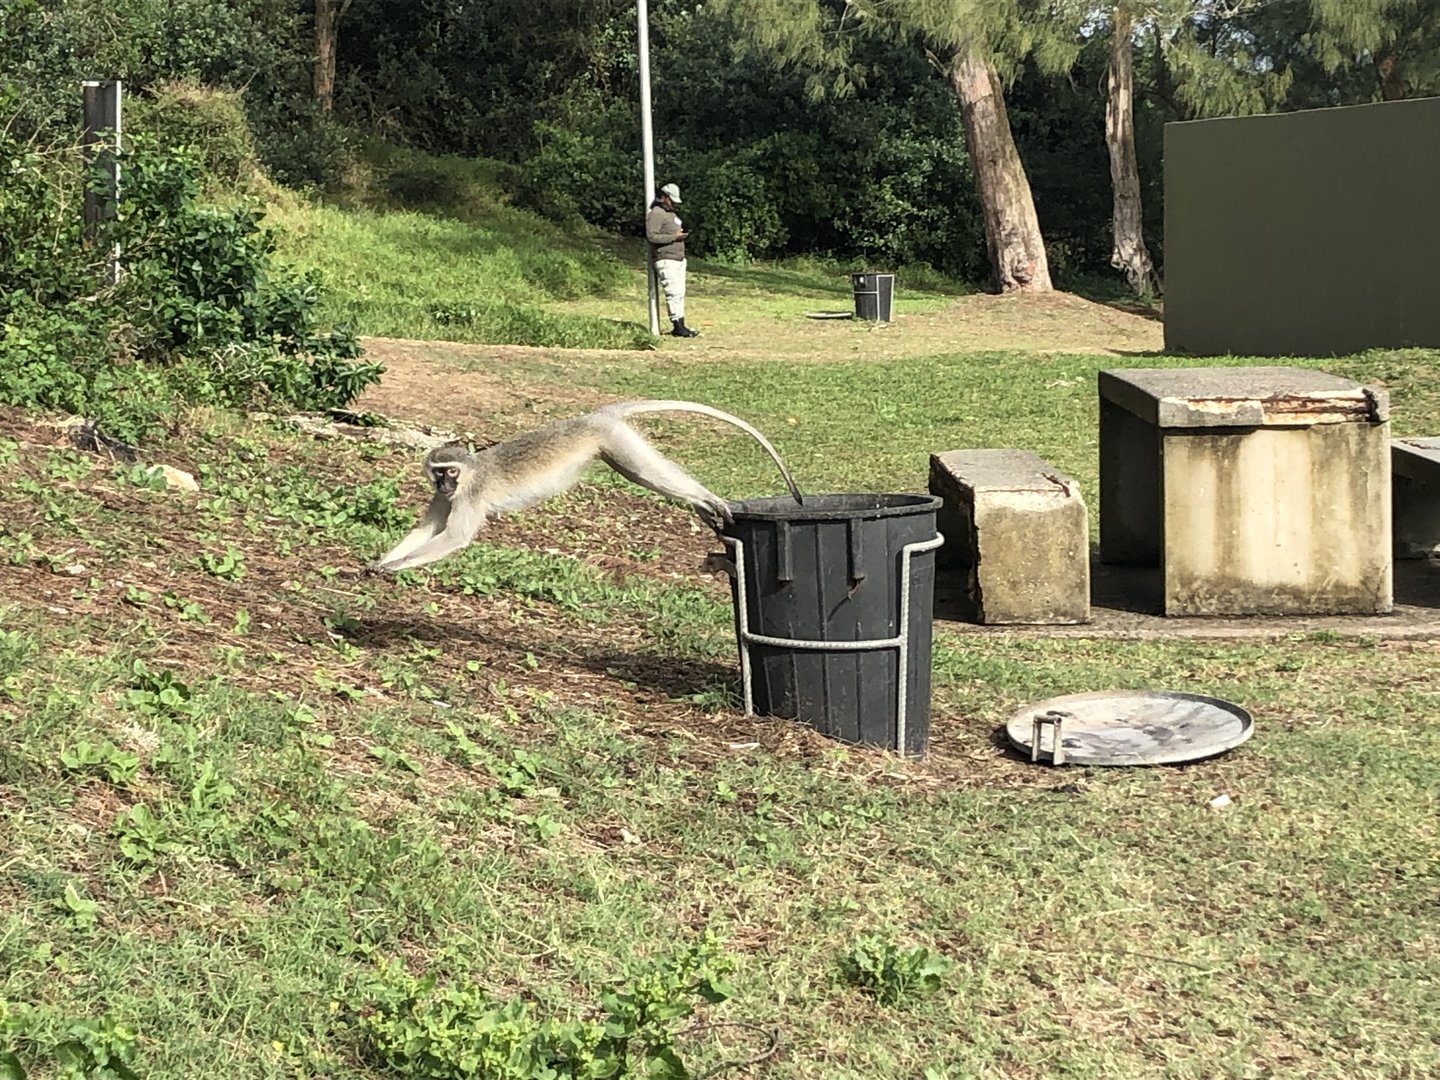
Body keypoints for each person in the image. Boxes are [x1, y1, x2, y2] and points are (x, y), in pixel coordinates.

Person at [646, 182, 699, 338]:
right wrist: (673, 237)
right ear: (664, 197)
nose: (674, 204)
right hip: (666, 259)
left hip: (678, 258)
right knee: (673, 292)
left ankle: (681, 323)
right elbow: (652, 236)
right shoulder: (656, 213)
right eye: (672, 200)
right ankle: (677, 325)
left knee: (679, 292)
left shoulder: (670, 214)